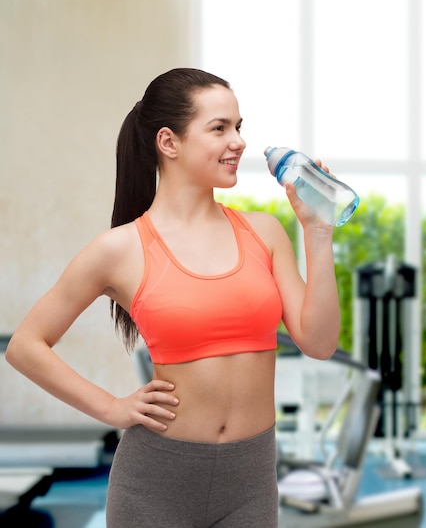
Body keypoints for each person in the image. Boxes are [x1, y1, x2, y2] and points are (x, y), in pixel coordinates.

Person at [6, 68, 340, 527]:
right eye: (219, 128)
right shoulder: (120, 248)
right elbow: (26, 345)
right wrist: (112, 407)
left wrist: (317, 231)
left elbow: (319, 343)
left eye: (239, 126)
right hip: (155, 484)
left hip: (251, 482)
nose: (238, 141)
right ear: (169, 142)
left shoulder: (264, 232)